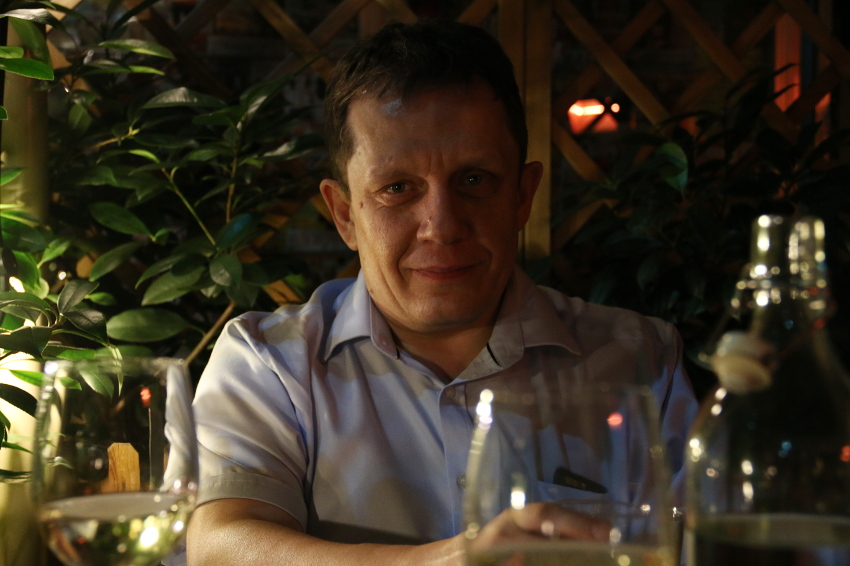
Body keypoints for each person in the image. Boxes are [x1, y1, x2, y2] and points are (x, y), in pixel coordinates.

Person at [184, 20, 697, 566]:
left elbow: (700, 544)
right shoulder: (270, 364)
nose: (442, 226)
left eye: (474, 180)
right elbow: (218, 545)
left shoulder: (642, 360)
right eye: (397, 188)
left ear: (522, 197)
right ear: (344, 214)